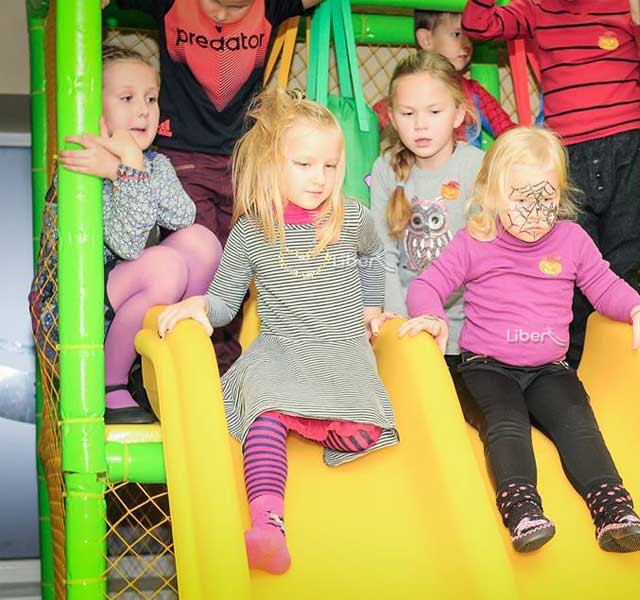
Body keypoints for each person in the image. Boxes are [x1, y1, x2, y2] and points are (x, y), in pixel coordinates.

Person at [157, 88, 398, 574]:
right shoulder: (253, 229)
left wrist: (374, 304)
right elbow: (225, 302)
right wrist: (197, 308)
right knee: (262, 409)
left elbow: (375, 257)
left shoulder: (350, 217)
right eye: (305, 164)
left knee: (364, 428)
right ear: (274, 163)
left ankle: (324, 421)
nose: (320, 177)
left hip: (340, 352)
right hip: (282, 351)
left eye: (330, 166)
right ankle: (269, 523)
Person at [400, 127, 640, 553]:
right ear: (490, 194)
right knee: (506, 422)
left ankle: (614, 511)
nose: (534, 210)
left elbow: (604, 285)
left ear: (559, 197)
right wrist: (432, 316)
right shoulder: (476, 241)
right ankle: (522, 510)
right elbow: (425, 286)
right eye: (520, 196)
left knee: (578, 423)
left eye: (545, 198)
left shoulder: (572, 240)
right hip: (486, 368)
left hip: (549, 369)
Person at [109, 0, 321, 374]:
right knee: (198, 259)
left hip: (243, 160)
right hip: (182, 158)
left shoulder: (270, 6)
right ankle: (177, 363)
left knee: (236, 265)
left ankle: (222, 369)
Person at [30, 45, 221, 424]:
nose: (143, 110)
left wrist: (130, 169)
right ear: (94, 110)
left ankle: (155, 365)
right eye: (127, 98)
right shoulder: (81, 161)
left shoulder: (154, 163)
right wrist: (127, 167)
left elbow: (183, 215)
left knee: (203, 242)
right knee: (164, 266)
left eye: (151, 99)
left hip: (121, 298)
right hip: (73, 314)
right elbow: (128, 243)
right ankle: (110, 383)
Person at [461, 0, 640, 369]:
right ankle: (571, 364)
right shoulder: (536, 7)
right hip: (567, 154)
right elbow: (479, 25)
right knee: (572, 262)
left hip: (628, 142)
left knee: (629, 256)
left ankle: (628, 360)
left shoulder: (624, 4)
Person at [370, 51, 485, 382]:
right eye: (408, 113)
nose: (420, 124)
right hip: (406, 326)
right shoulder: (386, 170)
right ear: (392, 116)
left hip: (468, 332)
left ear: (457, 114)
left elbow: (487, 254)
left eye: (434, 111)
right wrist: (398, 321)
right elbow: (383, 253)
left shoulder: (476, 166)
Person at [372, 11, 514, 147]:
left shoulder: (473, 92)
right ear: (426, 39)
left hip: (467, 170)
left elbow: (509, 132)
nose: (466, 43)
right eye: (457, 34)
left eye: (470, 36)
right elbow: (368, 125)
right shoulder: (408, 91)